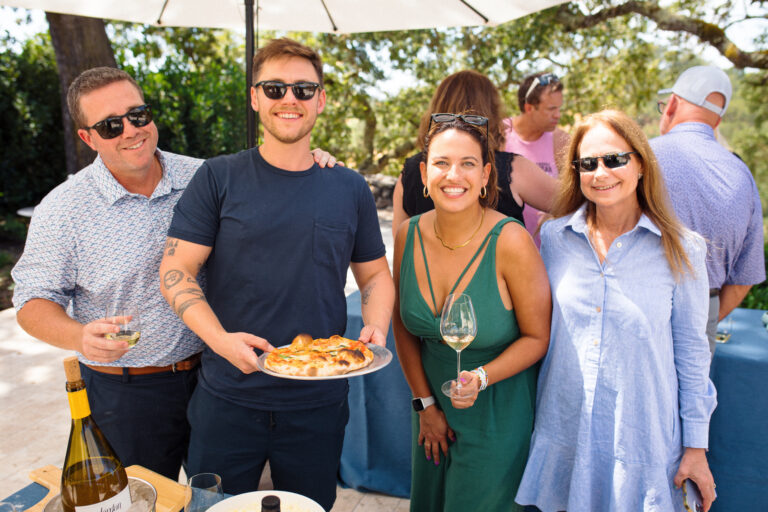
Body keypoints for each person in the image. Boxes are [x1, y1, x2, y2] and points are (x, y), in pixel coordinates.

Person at [10, 67, 341, 481]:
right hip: (128, 393)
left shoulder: (205, 175)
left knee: (218, 500)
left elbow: (274, 175)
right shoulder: (63, 209)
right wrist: (79, 337)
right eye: (111, 126)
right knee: (139, 502)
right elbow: (31, 302)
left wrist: (312, 160)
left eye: (138, 114)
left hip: (215, 376)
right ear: (87, 138)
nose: (131, 130)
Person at [158, 38, 394, 511]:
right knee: (212, 508)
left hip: (318, 400)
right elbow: (176, 270)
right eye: (275, 88)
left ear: (321, 99)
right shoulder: (218, 178)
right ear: (254, 97)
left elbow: (375, 277)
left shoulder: (348, 187)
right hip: (227, 398)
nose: (290, 99)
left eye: (304, 89)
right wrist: (222, 341)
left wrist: (376, 325)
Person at [515, 110, 717, 512]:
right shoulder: (554, 238)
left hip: (640, 439)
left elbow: (693, 354)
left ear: (640, 163)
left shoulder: (683, 249)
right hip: (565, 434)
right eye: (587, 163)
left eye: (615, 159)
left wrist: (696, 446)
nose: (600, 172)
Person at [392, 113, 551, 511]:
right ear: (425, 174)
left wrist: (481, 377)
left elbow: (538, 338)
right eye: (442, 163)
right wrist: (425, 404)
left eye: (467, 164)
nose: (453, 175)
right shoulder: (406, 235)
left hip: (496, 409)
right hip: (431, 409)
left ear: (485, 176)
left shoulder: (511, 241)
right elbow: (402, 327)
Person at [653, 65, 765, 355]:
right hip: (705, 314)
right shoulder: (743, 175)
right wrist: (704, 319)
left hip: (639, 308)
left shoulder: (643, 157)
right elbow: (744, 279)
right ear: (718, 120)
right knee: (692, 400)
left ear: (672, 105)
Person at [392, 69, 556, 236]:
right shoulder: (513, 169)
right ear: (491, 111)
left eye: (468, 164)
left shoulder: (407, 175)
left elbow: (401, 247)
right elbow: (574, 201)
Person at [504, 72, 571, 246]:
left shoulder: (561, 141)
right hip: (505, 250)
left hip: (548, 252)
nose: (557, 115)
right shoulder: (500, 135)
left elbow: (577, 194)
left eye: (559, 108)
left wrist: (557, 214)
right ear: (529, 108)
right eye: (551, 109)